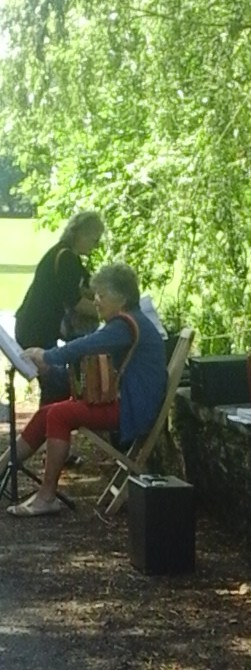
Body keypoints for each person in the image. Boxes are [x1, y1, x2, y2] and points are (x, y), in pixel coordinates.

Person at [2, 262, 166, 517]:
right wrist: (51, 366)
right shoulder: (127, 321)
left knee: (60, 415)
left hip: (133, 409)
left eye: (102, 295)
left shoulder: (124, 324)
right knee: (48, 411)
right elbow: (88, 358)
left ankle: (46, 497)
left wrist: (48, 356)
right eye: (95, 294)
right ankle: (2, 467)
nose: (96, 301)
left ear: (122, 298)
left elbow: (86, 345)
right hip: (128, 402)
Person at [15, 210, 104, 406]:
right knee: (56, 387)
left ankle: (49, 421)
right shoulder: (65, 258)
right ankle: (49, 423)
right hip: (36, 330)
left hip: (36, 328)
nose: (96, 245)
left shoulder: (66, 256)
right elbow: (76, 302)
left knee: (55, 386)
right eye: (94, 239)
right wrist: (110, 312)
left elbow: (89, 288)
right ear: (79, 234)